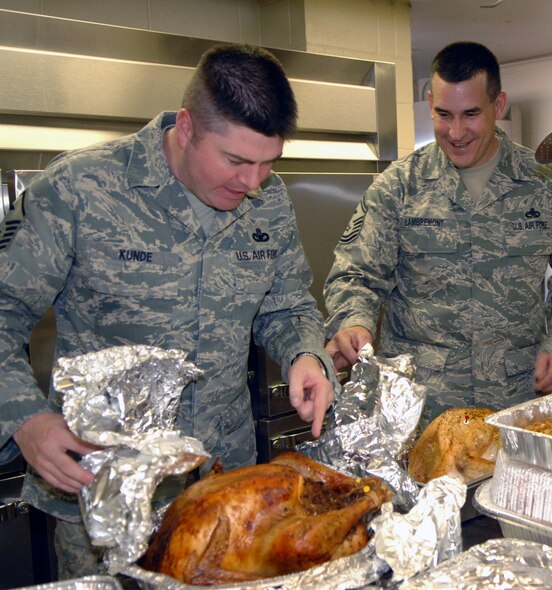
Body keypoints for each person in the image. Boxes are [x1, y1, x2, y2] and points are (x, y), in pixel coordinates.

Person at [0, 44, 336, 579]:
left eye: (268, 163)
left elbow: (287, 303)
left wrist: (304, 354)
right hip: (105, 497)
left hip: (223, 490)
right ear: (186, 127)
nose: (253, 182)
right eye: (236, 160)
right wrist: (25, 420)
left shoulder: (267, 203)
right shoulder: (80, 191)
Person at [324, 41, 552, 427]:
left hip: (515, 404)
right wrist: (354, 320)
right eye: (443, 114)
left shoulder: (544, 183)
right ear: (429, 105)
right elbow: (356, 274)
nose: (456, 132)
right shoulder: (400, 187)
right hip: (419, 410)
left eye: (471, 114)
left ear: (499, 105)